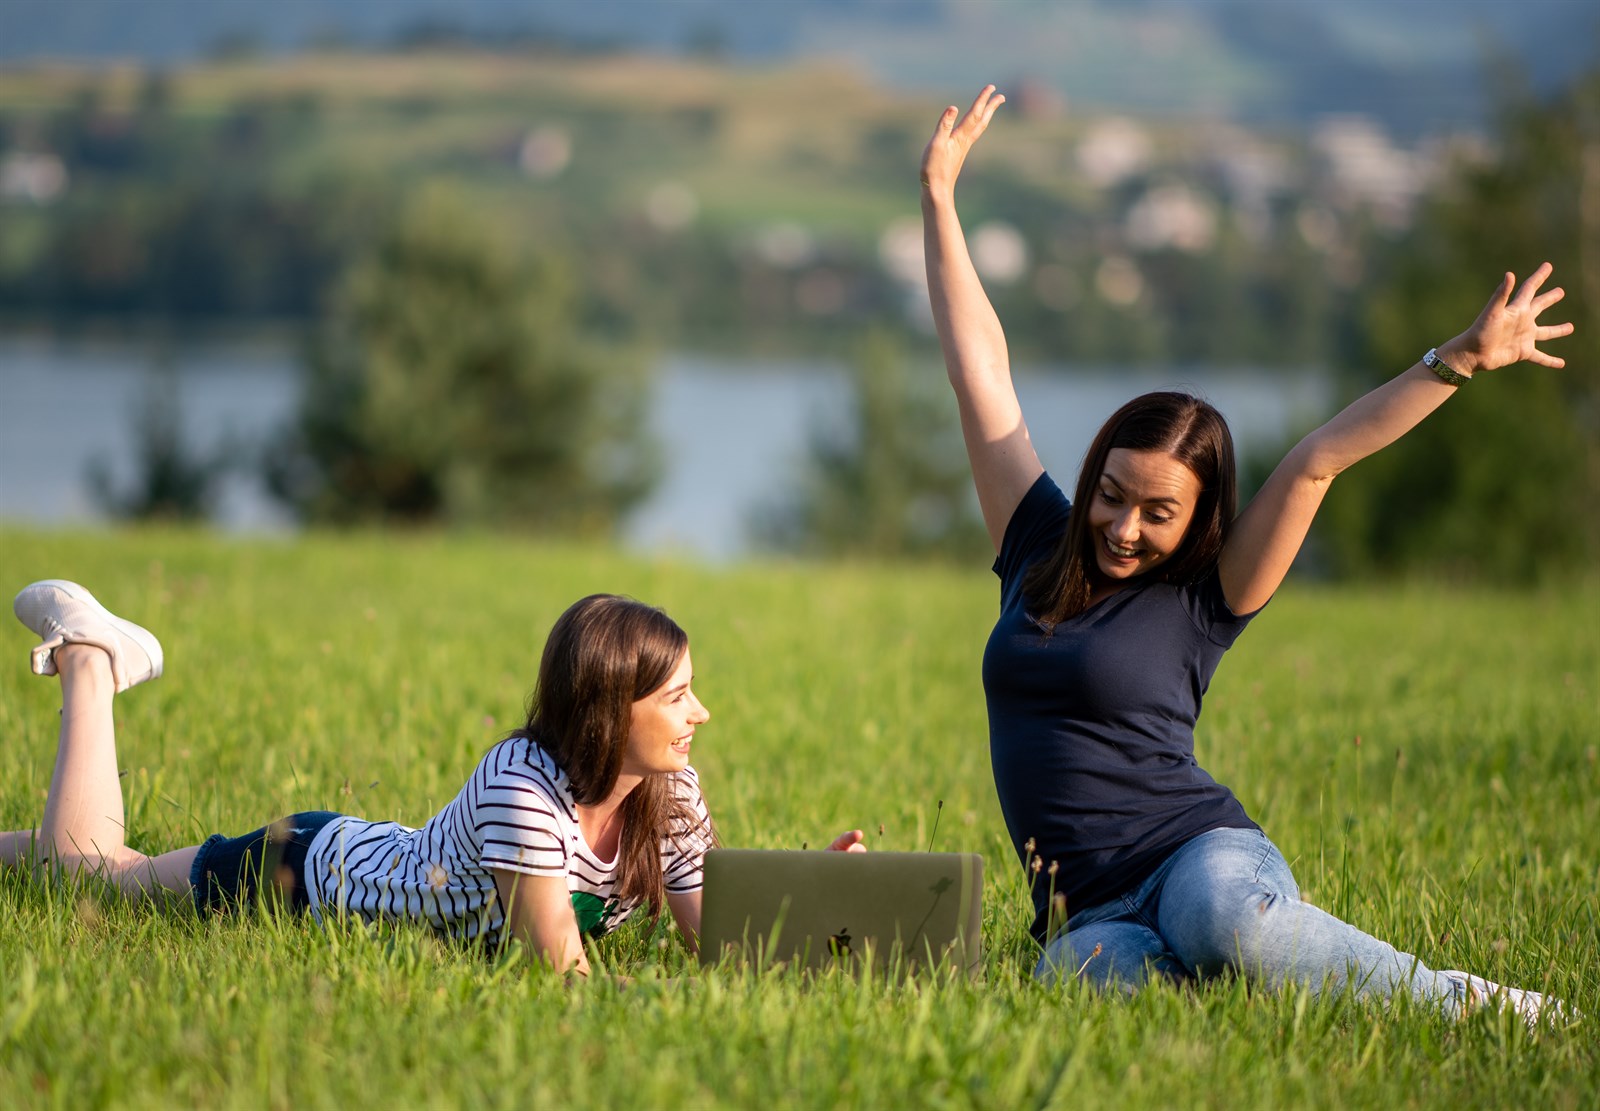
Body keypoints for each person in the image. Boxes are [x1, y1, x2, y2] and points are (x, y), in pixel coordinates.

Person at [920, 86, 1575, 1023]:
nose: (1123, 527)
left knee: (1226, 924)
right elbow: (980, 372)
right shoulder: (1036, 542)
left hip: (1198, 857)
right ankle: (1232, 991)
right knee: (1103, 990)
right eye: (1111, 494)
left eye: (1157, 512)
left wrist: (1459, 360)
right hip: (1087, 910)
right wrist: (940, 198)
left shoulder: (1208, 593)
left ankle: (1466, 1002)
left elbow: (1317, 461)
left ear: (1199, 520)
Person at [5, 582, 865, 977]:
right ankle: (90, 659)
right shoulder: (524, 787)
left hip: (366, 858)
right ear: (611, 707)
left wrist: (807, 910)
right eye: (677, 696)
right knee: (87, 872)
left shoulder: (672, 791)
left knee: (64, 862)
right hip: (306, 875)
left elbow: (713, 939)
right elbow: (558, 972)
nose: (701, 713)